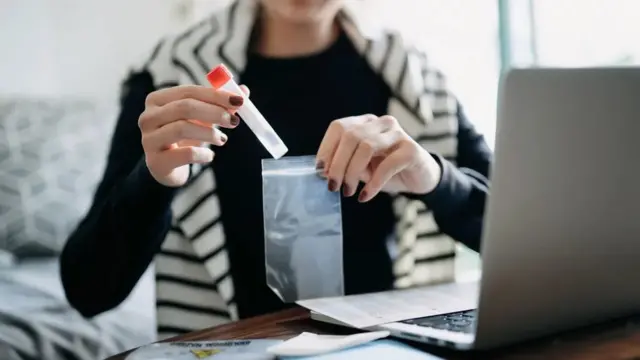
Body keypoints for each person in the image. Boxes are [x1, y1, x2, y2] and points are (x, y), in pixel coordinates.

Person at [60, 0, 491, 339]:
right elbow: (87, 290)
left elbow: (525, 237)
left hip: (388, 347)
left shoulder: (413, 81)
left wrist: (433, 177)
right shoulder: (172, 77)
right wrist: (153, 182)